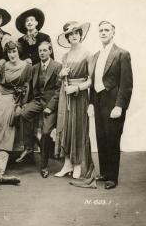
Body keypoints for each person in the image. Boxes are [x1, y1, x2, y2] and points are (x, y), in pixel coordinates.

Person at [88, 21, 133, 190]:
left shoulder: (122, 54)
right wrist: (91, 103)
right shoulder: (96, 55)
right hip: (98, 101)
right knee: (101, 137)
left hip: (113, 102)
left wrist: (120, 106)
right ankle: (105, 172)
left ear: (113, 32)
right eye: (101, 30)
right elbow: (93, 83)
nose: (103, 33)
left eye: (107, 30)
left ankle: (112, 177)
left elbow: (126, 84)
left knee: (112, 138)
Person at [54, 21, 95, 181]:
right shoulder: (64, 56)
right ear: (67, 37)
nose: (74, 36)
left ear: (80, 34)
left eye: (76, 32)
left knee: (78, 128)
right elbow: (62, 81)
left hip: (80, 96)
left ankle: (77, 165)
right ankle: (67, 164)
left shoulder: (87, 54)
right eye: (70, 34)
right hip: (66, 96)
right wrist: (61, 75)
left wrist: (77, 88)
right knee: (66, 127)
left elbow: (91, 80)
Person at [16, 41, 61, 179]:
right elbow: (31, 88)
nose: (42, 53)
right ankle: (29, 147)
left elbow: (59, 91)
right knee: (23, 114)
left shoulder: (57, 66)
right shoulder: (35, 67)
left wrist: (50, 107)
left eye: (44, 50)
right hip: (38, 101)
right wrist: (26, 104)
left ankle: (44, 166)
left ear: (50, 51)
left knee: (46, 132)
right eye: (40, 51)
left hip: (51, 103)